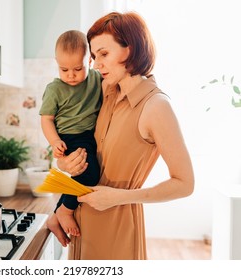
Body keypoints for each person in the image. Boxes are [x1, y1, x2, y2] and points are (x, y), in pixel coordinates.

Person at [46, 11, 194, 259]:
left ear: (130, 49)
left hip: (117, 232)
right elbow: (78, 142)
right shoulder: (104, 91)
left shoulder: (155, 106)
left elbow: (185, 184)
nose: (95, 64)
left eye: (103, 54)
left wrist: (120, 197)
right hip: (80, 228)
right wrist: (63, 163)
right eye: (93, 56)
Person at [39, 30, 102, 237]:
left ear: (90, 61)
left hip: (88, 136)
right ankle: (65, 211)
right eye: (64, 69)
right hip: (68, 137)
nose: (71, 75)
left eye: (78, 68)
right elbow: (47, 119)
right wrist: (55, 141)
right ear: (56, 62)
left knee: (83, 175)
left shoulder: (96, 79)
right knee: (89, 173)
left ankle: (56, 216)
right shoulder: (55, 89)